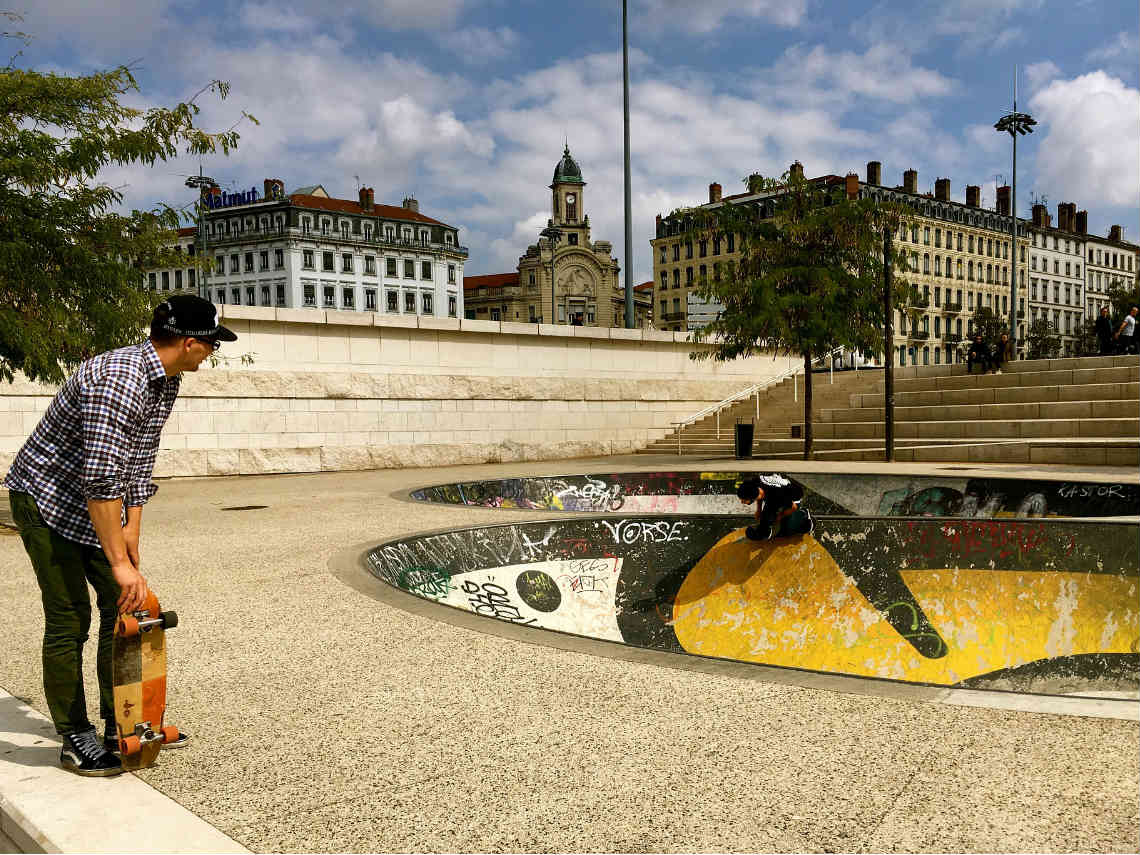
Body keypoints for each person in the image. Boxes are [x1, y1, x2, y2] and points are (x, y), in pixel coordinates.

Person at [4, 295, 236, 776]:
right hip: (47, 499)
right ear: (190, 342)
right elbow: (101, 479)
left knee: (124, 607)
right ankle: (74, 736)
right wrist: (119, 563)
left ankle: (121, 722)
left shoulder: (164, 381)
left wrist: (132, 530)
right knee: (70, 617)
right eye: (211, 345)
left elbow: (137, 460)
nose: (211, 355)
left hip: (95, 498)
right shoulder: (120, 381)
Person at [736, 474, 813, 541]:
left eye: (744, 500)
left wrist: (781, 516)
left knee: (786, 530)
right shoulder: (755, 482)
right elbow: (759, 495)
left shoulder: (777, 495)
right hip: (775, 495)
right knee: (766, 518)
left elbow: (793, 507)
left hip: (793, 499)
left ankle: (803, 515)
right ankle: (766, 530)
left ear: (752, 497)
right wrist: (759, 510)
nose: (742, 502)